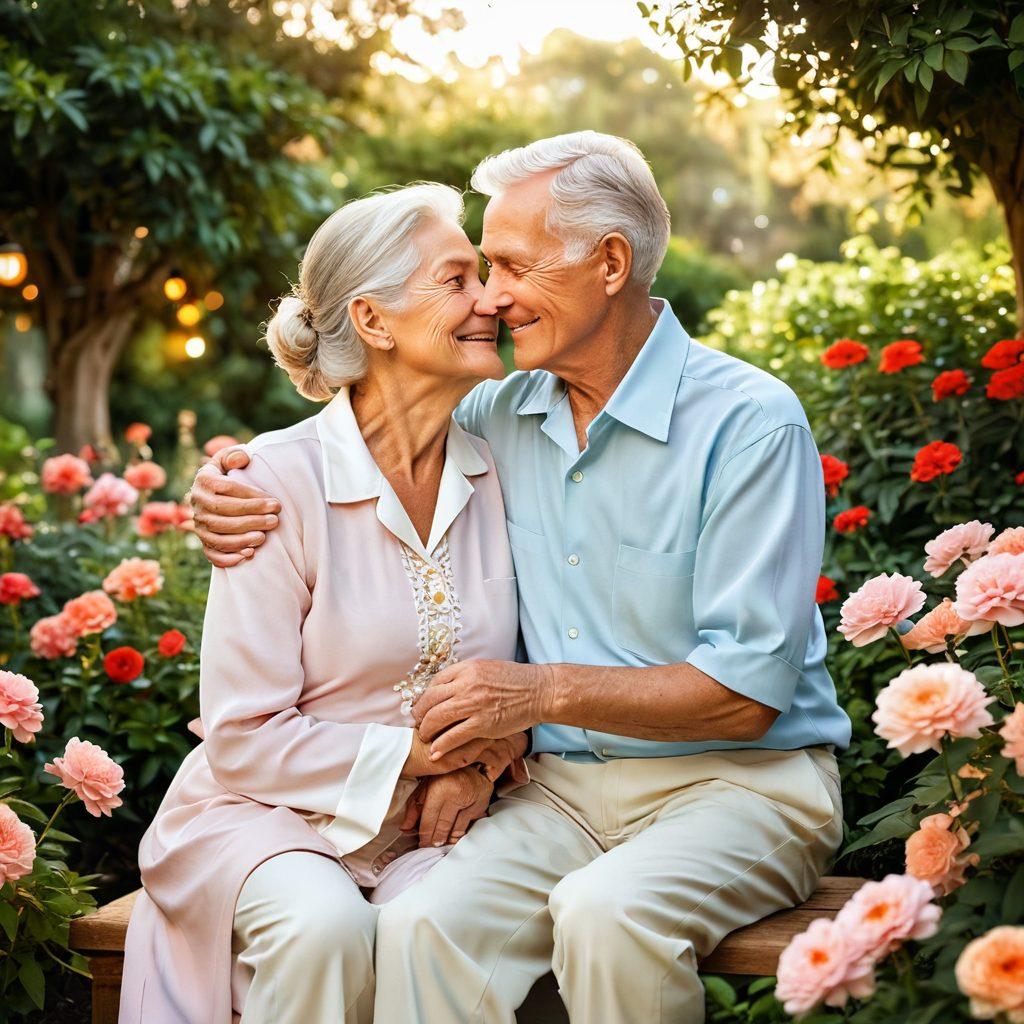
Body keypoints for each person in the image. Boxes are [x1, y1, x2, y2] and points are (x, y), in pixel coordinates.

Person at [190, 131, 853, 1024]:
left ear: (611, 262)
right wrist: (229, 478)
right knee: (420, 925)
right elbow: (362, 418)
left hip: (744, 781)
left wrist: (533, 697)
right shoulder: (498, 412)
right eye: (476, 272)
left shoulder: (750, 424)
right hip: (558, 791)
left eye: (510, 266)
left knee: (607, 915)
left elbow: (747, 694)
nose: (492, 300)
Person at [119, 183, 528, 1024]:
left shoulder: (502, 472)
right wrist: (429, 759)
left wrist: (486, 761)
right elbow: (242, 737)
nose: (489, 298)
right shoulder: (272, 485)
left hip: (429, 830)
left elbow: (532, 670)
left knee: (453, 931)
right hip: (265, 818)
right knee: (324, 926)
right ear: (373, 322)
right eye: (455, 279)